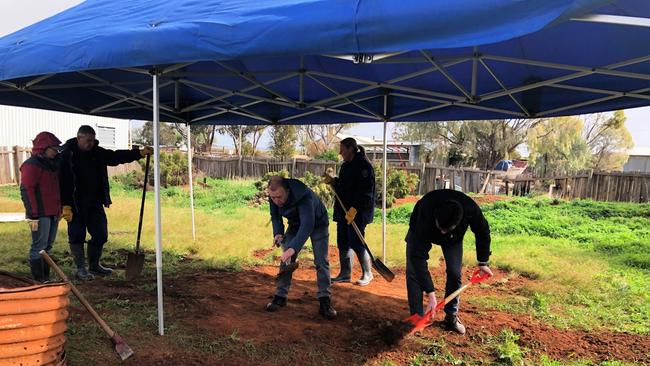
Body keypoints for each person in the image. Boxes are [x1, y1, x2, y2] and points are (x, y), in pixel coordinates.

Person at [59, 125, 152, 280]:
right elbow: (63, 181)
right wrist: (65, 204)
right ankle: (79, 268)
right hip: (75, 204)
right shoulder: (67, 154)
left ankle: (94, 265)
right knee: (77, 236)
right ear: (79, 138)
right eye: (88, 140)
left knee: (101, 234)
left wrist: (139, 153)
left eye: (93, 140)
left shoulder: (97, 152)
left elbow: (115, 157)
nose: (91, 143)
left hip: (95, 202)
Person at [405, 189, 493, 334]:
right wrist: (431, 293)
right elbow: (418, 257)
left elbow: (483, 231)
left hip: (454, 239)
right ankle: (417, 318)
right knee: (414, 270)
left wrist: (483, 262)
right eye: (441, 228)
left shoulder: (470, 209)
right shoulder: (425, 213)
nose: (442, 233)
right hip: (421, 230)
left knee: (454, 273)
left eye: (447, 229)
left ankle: (451, 317)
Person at [266, 176, 337, 320]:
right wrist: (278, 233)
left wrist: (293, 248)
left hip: (317, 223)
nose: (276, 201)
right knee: (286, 259)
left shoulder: (304, 196)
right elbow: (275, 216)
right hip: (295, 222)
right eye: (273, 198)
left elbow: (308, 225)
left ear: (288, 191)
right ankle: (280, 297)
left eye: (279, 197)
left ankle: (325, 301)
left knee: (321, 261)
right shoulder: (274, 197)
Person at [323, 137, 375, 286]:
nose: (340, 152)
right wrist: (333, 181)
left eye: (342, 149)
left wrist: (355, 209)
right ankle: (345, 273)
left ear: (351, 148)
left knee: (356, 241)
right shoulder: (345, 166)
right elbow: (344, 187)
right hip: (343, 210)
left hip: (357, 212)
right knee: (343, 241)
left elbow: (366, 192)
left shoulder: (364, 167)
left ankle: (368, 273)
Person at [20, 132, 63, 282]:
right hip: (39, 214)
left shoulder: (52, 164)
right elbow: (27, 190)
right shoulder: (31, 165)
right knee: (39, 246)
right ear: (44, 147)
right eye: (54, 148)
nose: (56, 151)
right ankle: (39, 279)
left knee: (48, 247)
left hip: (53, 212)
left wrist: (60, 209)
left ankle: (46, 277)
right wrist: (33, 214)